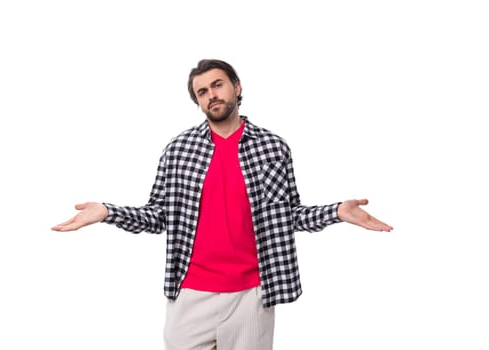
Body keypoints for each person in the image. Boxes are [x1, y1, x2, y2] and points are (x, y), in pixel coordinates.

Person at [52, 59, 393, 350]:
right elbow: (157, 216)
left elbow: (288, 216)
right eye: (202, 91)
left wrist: (336, 212)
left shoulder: (273, 148)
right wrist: (108, 212)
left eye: (217, 85)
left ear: (237, 87)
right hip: (190, 292)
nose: (211, 95)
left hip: (252, 294)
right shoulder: (179, 149)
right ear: (198, 101)